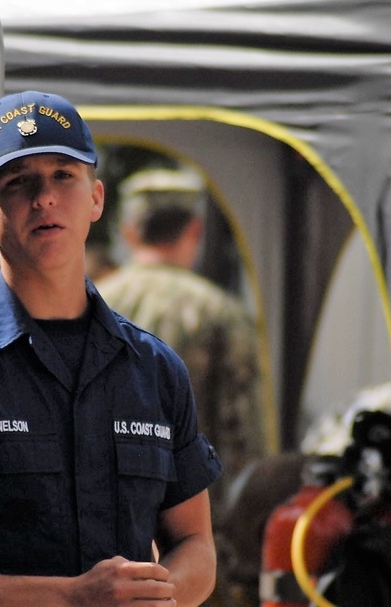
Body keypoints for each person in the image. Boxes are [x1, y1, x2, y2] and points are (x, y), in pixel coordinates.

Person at [0, 90, 221, 607]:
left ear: (96, 197)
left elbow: (196, 543)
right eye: (19, 182)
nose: (45, 197)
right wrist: (69, 598)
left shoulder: (155, 370)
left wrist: (154, 594)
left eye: (63, 176)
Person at [95, 169, 264, 605]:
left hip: (97, 554)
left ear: (130, 231)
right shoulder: (222, 314)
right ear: (195, 229)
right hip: (193, 557)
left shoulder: (87, 304)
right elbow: (244, 446)